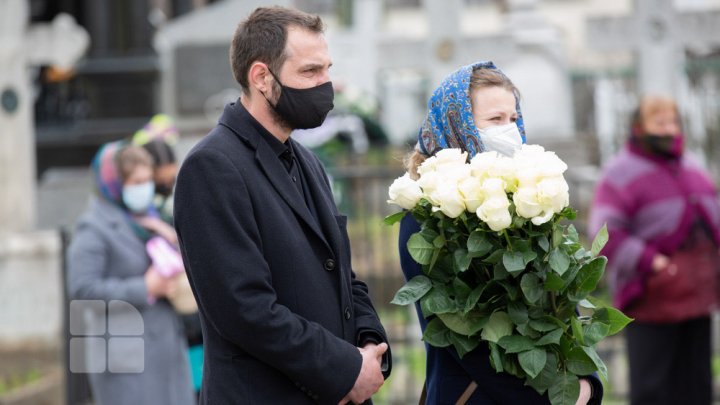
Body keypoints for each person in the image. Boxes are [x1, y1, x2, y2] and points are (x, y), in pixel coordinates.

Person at [173, 6, 391, 404]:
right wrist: (343, 369)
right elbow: (245, 310)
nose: (326, 85)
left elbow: (341, 273)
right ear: (261, 78)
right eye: (310, 72)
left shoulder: (305, 159)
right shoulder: (212, 167)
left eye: (327, 69)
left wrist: (369, 346)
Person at [400, 61, 602, 404]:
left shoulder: (525, 197)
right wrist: (552, 399)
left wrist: (585, 382)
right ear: (457, 125)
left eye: (512, 118)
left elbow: (558, 298)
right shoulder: (426, 218)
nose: (508, 130)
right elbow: (461, 336)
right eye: (494, 120)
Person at [589, 95, 720, 405]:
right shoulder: (618, 173)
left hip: (697, 298)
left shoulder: (692, 166)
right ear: (639, 127)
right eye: (659, 122)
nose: (668, 129)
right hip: (650, 299)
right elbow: (606, 233)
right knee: (652, 390)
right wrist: (654, 262)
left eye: (673, 122)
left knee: (697, 386)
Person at [67, 141, 195, 405]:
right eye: (136, 182)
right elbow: (82, 291)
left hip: (165, 349)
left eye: (147, 180)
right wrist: (146, 287)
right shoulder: (93, 229)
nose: (144, 188)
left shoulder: (148, 219)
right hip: (124, 356)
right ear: (115, 184)